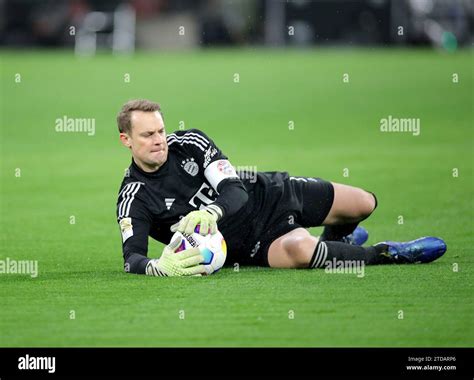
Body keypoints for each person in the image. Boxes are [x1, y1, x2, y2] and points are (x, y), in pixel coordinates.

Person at [115, 99, 446, 277]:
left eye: (160, 130)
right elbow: (132, 258)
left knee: (364, 203)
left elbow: (235, 189)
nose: (160, 140)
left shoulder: (191, 142)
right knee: (304, 252)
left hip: (270, 193)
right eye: (148, 135)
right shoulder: (134, 198)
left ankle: (337, 239)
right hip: (253, 244)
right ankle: (388, 253)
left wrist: (211, 211)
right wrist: (158, 268)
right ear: (126, 140)